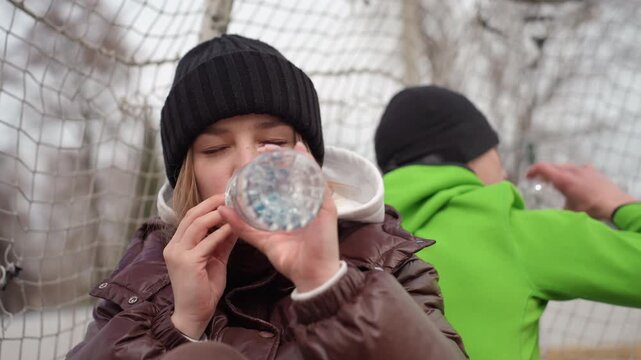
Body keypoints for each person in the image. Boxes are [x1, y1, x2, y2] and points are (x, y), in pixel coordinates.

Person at [66, 36, 467, 360]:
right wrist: (179, 324)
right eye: (215, 149)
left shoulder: (384, 256)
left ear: (306, 155)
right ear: (189, 174)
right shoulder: (145, 277)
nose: (246, 163)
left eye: (272, 141)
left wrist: (329, 287)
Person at [375, 85, 641, 360]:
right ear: (468, 153)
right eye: (495, 154)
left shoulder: (354, 239)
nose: (503, 171)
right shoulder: (510, 229)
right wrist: (617, 202)